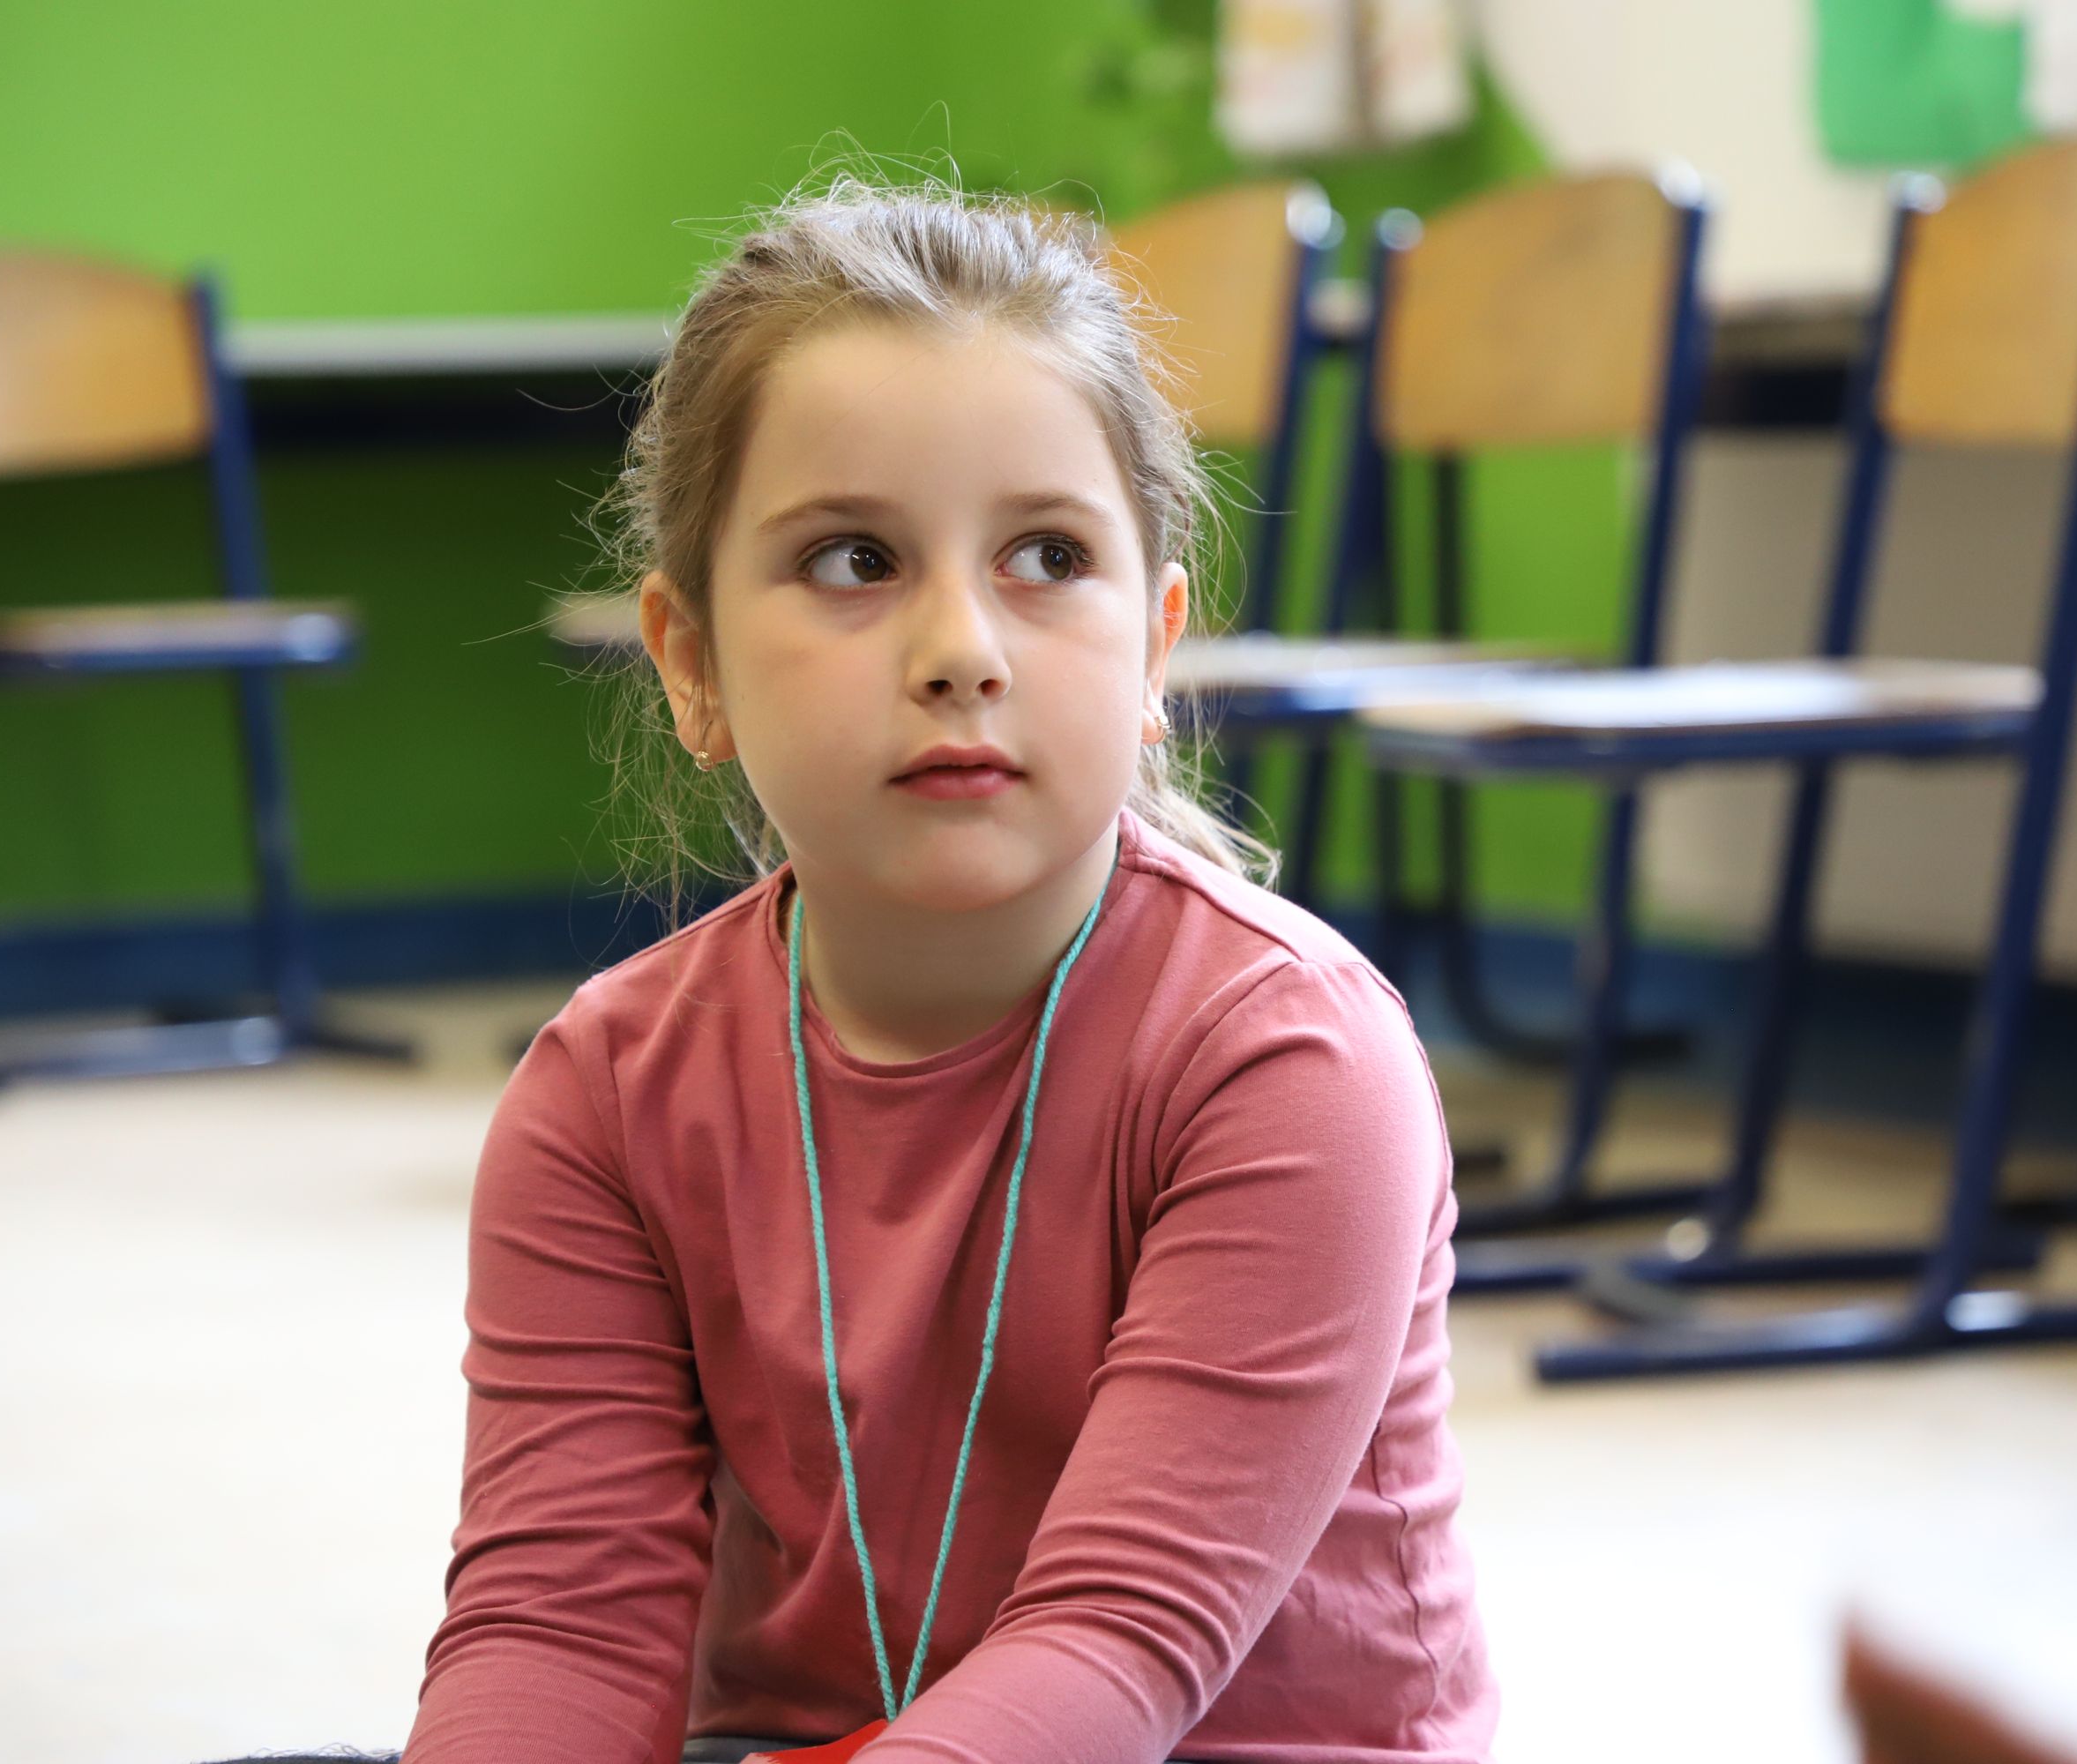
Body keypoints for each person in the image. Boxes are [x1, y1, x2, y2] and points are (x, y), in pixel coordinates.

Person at [391, 178, 1497, 1764]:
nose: (963, 648)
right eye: (854, 561)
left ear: (1154, 650)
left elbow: (1117, 1645)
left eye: (1046, 554)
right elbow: (557, 1624)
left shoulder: (1294, 1061)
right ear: (691, 662)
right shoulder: (604, 1094)